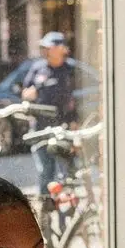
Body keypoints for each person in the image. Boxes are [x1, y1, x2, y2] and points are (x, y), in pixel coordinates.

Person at [22, 31, 78, 198]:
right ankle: (46, 209)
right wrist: (29, 95)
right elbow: (25, 91)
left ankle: (70, 212)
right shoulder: (38, 68)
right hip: (40, 127)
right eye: (45, 47)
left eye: (50, 47)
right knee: (46, 171)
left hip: (64, 127)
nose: (46, 51)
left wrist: (75, 123)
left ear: (61, 49)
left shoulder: (71, 69)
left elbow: (79, 97)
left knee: (67, 172)